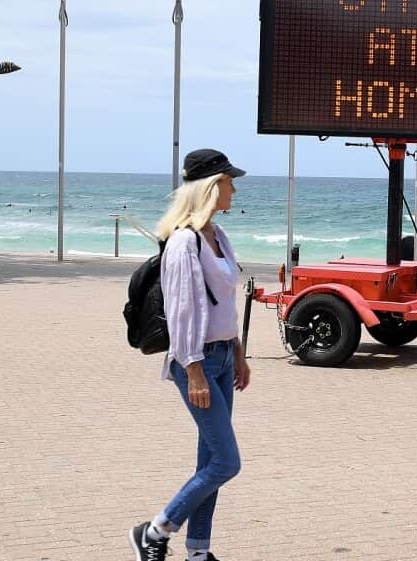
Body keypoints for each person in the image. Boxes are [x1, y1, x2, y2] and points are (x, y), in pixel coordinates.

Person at [129, 149, 250, 561]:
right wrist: (194, 370)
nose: (234, 189)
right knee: (227, 463)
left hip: (223, 357)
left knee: (210, 460)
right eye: (229, 181)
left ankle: (198, 552)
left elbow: (224, 303)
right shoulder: (184, 241)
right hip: (197, 362)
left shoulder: (218, 235)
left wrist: (238, 352)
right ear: (210, 187)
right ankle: (155, 530)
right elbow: (182, 312)